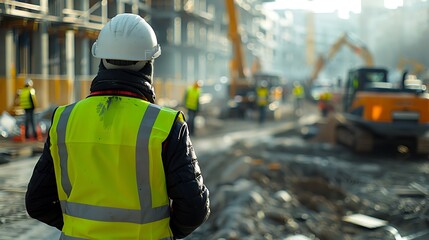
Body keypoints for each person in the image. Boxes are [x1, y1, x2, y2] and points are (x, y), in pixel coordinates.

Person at [25, 13, 210, 240]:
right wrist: (165, 232)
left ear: (101, 60)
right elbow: (194, 208)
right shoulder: (167, 124)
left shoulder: (64, 119)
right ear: (149, 64)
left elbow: (37, 202)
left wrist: (78, 227)